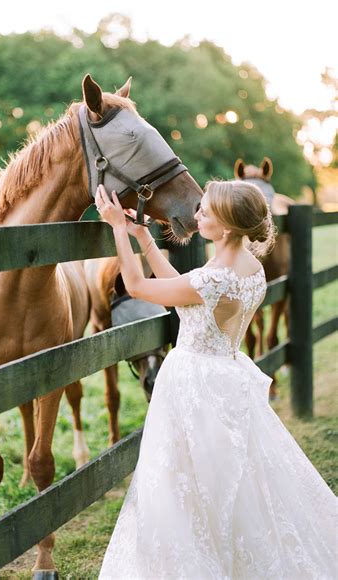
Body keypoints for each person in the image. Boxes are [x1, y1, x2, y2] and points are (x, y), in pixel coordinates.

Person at [94, 180, 337, 579]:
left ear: (224, 227)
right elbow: (182, 291)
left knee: (186, 480)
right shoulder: (249, 268)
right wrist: (144, 237)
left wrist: (118, 228)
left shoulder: (215, 278)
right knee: (232, 481)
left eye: (204, 211)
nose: (196, 215)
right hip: (226, 372)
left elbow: (137, 287)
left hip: (195, 382)